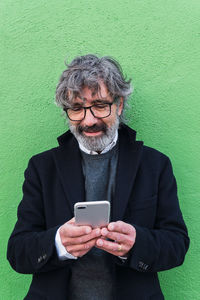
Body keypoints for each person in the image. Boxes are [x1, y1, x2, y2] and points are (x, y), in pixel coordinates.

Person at [7, 54, 189, 300]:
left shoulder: (155, 165)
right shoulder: (42, 168)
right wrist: (59, 242)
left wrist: (137, 242)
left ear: (120, 104)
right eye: (77, 109)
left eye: (100, 105)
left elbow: (177, 245)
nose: (89, 120)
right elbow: (18, 253)